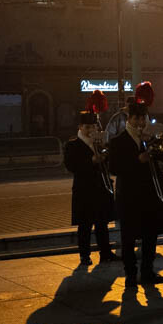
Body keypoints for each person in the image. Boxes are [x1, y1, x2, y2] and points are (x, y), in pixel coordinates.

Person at [108, 82, 163, 286]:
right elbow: (115, 168)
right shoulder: (119, 140)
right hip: (129, 196)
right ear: (130, 118)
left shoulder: (147, 138)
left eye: (143, 118)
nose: (140, 121)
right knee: (128, 238)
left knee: (150, 236)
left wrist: (160, 148)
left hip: (149, 195)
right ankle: (130, 275)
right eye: (137, 118)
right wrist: (137, 160)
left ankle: (147, 272)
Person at [64, 92, 116, 266]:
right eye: (87, 128)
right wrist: (91, 161)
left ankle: (106, 252)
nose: (91, 130)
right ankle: (84, 255)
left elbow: (108, 162)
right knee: (85, 225)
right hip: (84, 189)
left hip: (100, 186)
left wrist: (105, 154)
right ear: (80, 127)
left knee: (102, 223)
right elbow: (71, 166)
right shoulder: (73, 144)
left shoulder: (99, 142)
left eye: (93, 127)